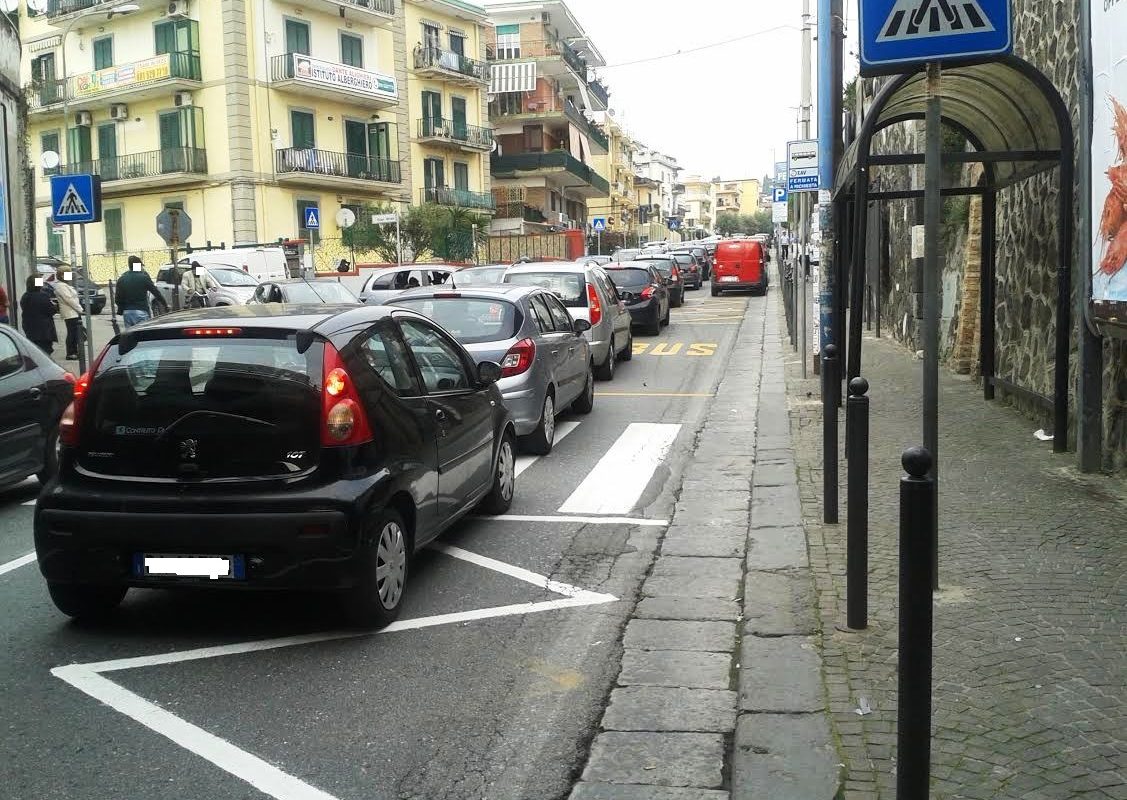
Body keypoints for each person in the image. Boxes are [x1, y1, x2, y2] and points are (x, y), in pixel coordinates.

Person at [115, 255, 163, 328]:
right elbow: (156, 293)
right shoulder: (144, 277)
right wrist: (164, 304)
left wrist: (121, 308)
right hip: (141, 311)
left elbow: (117, 299)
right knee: (143, 335)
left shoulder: (122, 279)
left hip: (127, 313)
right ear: (137, 266)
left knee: (130, 336)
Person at [20, 275, 57, 355]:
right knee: (45, 352)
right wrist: (55, 306)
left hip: (30, 328)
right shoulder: (43, 296)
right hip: (44, 330)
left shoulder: (25, 296)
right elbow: (51, 310)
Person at [52, 269, 83, 360]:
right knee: (72, 333)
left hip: (73, 312)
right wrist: (80, 309)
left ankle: (74, 351)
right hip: (70, 312)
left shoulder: (65, 285)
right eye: (68, 274)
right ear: (62, 276)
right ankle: (71, 352)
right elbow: (68, 299)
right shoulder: (61, 286)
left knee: (75, 333)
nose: (70, 276)